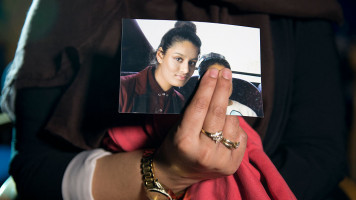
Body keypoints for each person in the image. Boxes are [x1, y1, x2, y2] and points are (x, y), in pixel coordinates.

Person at [1, 0, 347, 200]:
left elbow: (320, 157)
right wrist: (169, 172)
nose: (184, 70)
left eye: (191, 63)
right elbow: (33, 170)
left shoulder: (299, 9)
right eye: (177, 60)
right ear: (159, 53)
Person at [119, 21, 201, 114]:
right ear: (160, 55)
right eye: (178, 59)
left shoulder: (180, 101)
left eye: (192, 62)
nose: (186, 70)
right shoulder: (123, 88)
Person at [198, 52, 258, 117]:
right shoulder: (194, 110)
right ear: (200, 81)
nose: (222, 84)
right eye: (214, 78)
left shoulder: (247, 112)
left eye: (226, 77)